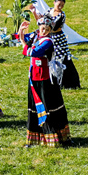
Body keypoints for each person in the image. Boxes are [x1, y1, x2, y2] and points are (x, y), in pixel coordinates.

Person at [23, 16, 72, 147]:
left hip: (46, 79)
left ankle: (58, 137)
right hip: (34, 78)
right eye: (42, 28)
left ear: (50, 30)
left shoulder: (48, 41)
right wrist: (21, 31)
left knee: (50, 107)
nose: (43, 30)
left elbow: (33, 52)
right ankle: (35, 138)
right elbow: (18, 37)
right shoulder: (35, 37)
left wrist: (24, 44)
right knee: (34, 108)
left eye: (46, 29)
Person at [32, 0, 81, 89]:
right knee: (50, 59)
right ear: (54, 3)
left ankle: (67, 83)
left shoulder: (61, 15)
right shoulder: (48, 11)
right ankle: (52, 80)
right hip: (49, 37)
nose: (60, 7)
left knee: (62, 59)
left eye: (62, 5)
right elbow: (41, 22)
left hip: (58, 39)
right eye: (59, 4)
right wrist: (34, 12)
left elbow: (53, 27)